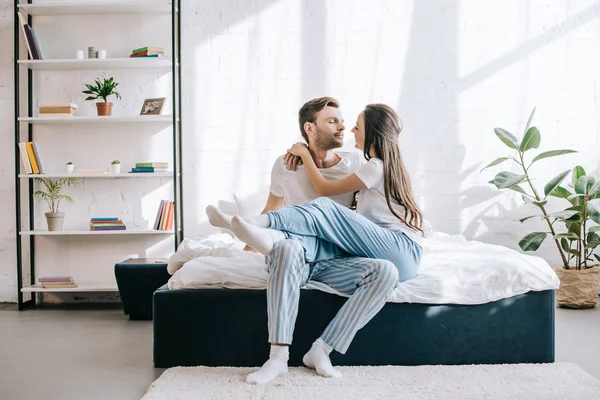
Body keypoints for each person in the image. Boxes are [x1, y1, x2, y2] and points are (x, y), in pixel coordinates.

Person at [208, 103, 425, 384]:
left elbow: (325, 192)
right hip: (311, 253)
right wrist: (246, 245)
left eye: (352, 125)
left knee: (325, 207)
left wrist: (305, 156)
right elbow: (273, 202)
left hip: (377, 250)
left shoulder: (364, 163)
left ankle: (260, 226)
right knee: (382, 271)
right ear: (310, 128)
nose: (347, 129)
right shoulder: (284, 166)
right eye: (333, 121)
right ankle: (299, 354)